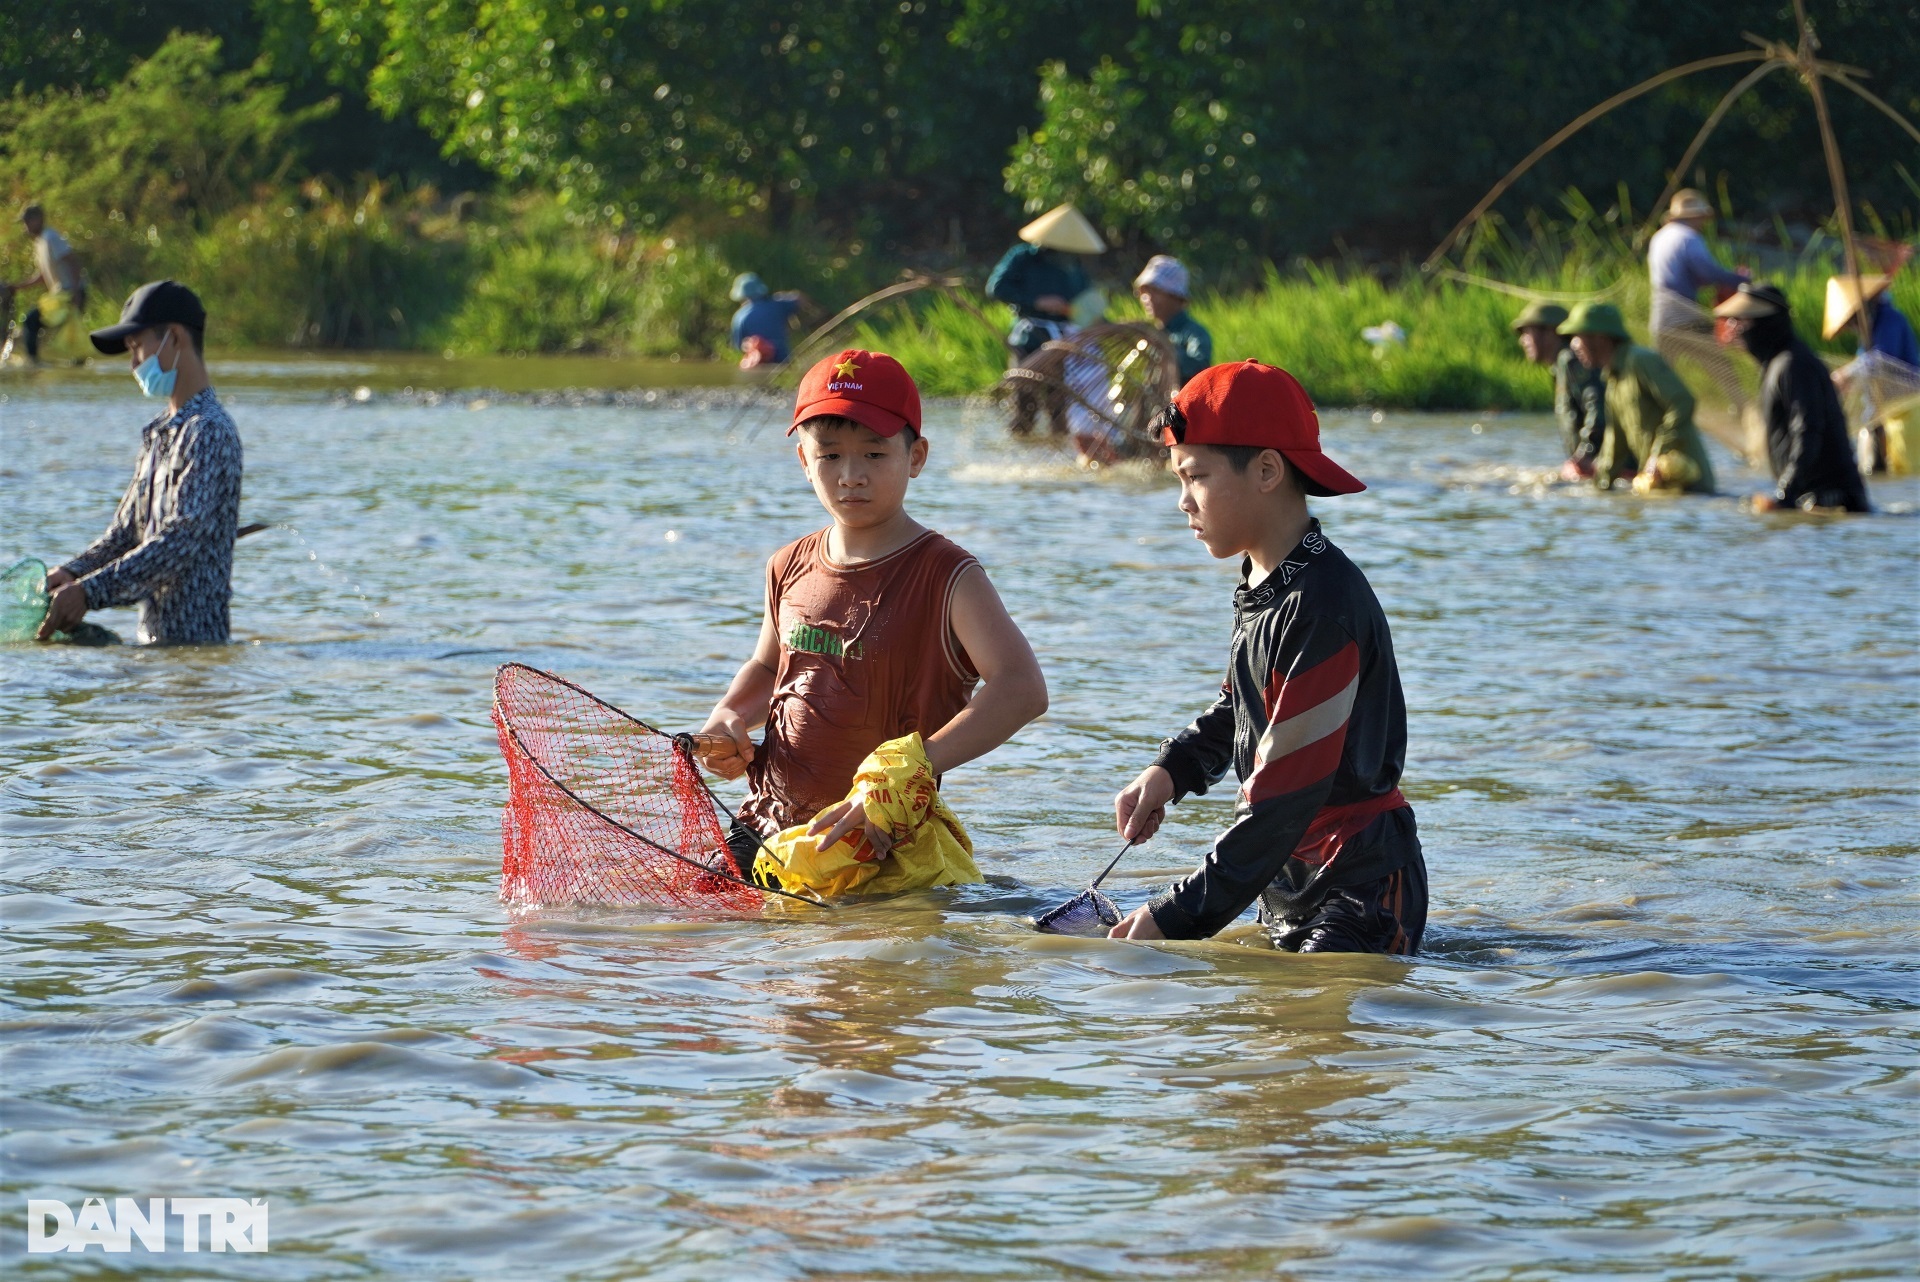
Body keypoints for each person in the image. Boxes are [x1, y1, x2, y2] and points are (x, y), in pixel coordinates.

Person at [1107, 360, 1426, 954]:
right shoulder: (1264, 576)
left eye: (1195, 476)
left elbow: (1284, 795)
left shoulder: (1323, 604)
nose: (1182, 502)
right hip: (1284, 873)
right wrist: (1171, 771)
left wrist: (1175, 916)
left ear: (1268, 470)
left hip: (1360, 884)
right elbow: (1241, 705)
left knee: (1316, 1022)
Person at [697, 348, 1049, 873]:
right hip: (766, 827)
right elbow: (771, 668)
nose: (851, 475)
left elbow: (1021, 689)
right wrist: (729, 715)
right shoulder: (786, 565)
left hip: (881, 842)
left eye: (875, 455)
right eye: (830, 455)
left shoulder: (947, 574)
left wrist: (912, 768)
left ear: (917, 456)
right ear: (803, 461)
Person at [39, 281, 243, 645]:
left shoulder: (209, 432)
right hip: (156, 654)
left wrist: (89, 593)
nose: (133, 363)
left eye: (137, 347)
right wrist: (71, 574)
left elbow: (177, 542)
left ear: (175, 339)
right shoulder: (160, 435)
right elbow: (123, 536)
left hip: (197, 656)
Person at [1715, 282, 1870, 513]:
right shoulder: (1777, 364)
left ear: (1764, 325)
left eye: (1741, 322)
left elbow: (1807, 432)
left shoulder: (1794, 365)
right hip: (1809, 499)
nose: (1733, 329)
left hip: (1831, 501)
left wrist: (1785, 495)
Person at [1560, 301, 1716, 495]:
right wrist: (1600, 485)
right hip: (1660, 489)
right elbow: (1615, 444)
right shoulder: (1612, 379)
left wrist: (1657, 456)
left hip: (1692, 488)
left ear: (1599, 338)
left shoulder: (1640, 360)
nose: (1574, 346)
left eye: (1577, 337)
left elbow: (1682, 401)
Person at [988, 203, 1104, 435]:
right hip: (1028, 340)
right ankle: (1022, 446)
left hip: (1062, 344)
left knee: (1059, 407)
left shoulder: (1075, 268)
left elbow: (1088, 308)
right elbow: (996, 288)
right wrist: (1037, 301)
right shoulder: (1022, 257)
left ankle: (1057, 450)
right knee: (1024, 402)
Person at [1645, 188, 1750, 422]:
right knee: (1723, 369)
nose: (1703, 222)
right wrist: (1739, 280)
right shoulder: (1688, 237)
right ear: (1692, 216)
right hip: (1685, 318)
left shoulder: (1659, 237)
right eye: (1701, 217)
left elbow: (1684, 276)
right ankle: (1745, 416)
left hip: (1661, 320)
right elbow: (1707, 272)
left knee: (1661, 378)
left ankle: (1654, 420)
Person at [1825, 272, 1918, 476]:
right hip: (1881, 412)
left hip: (1907, 409)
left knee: (1903, 472)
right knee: (1871, 469)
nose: (1852, 326)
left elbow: (1882, 361)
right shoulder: (1871, 329)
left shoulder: (1890, 320)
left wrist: (1846, 374)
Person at [1511, 300, 1604, 478]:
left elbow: (1597, 406)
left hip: (1603, 467)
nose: (1522, 340)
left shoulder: (1571, 360)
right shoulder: (1562, 365)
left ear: (1550, 332)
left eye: (1526, 332)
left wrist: (1585, 453)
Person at [5, 203, 88, 362]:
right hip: (60, 296)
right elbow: (43, 276)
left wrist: (76, 293)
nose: (25, 226)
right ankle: (72, 371)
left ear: (38, 219)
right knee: (66, 337)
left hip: (69, 294)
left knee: (31, 322)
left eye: (27, 221)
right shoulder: (40, 242)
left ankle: (34, 365)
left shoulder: (51, 237)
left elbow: (73, 262)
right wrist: (17, 287)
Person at [1133, 255, 1213, 387]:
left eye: (1156, 291)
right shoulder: (1153, 333)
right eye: (1144, 293)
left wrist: (1166, 349)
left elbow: (1199, 367)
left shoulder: (1194, 333)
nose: (1148, 299)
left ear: (1176, 296)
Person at [727, 272, 807, 367]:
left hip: (757, 364)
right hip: (783, 360)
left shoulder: (739, 317)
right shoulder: (777, 305)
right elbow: (799, 298)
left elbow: (738, 346)